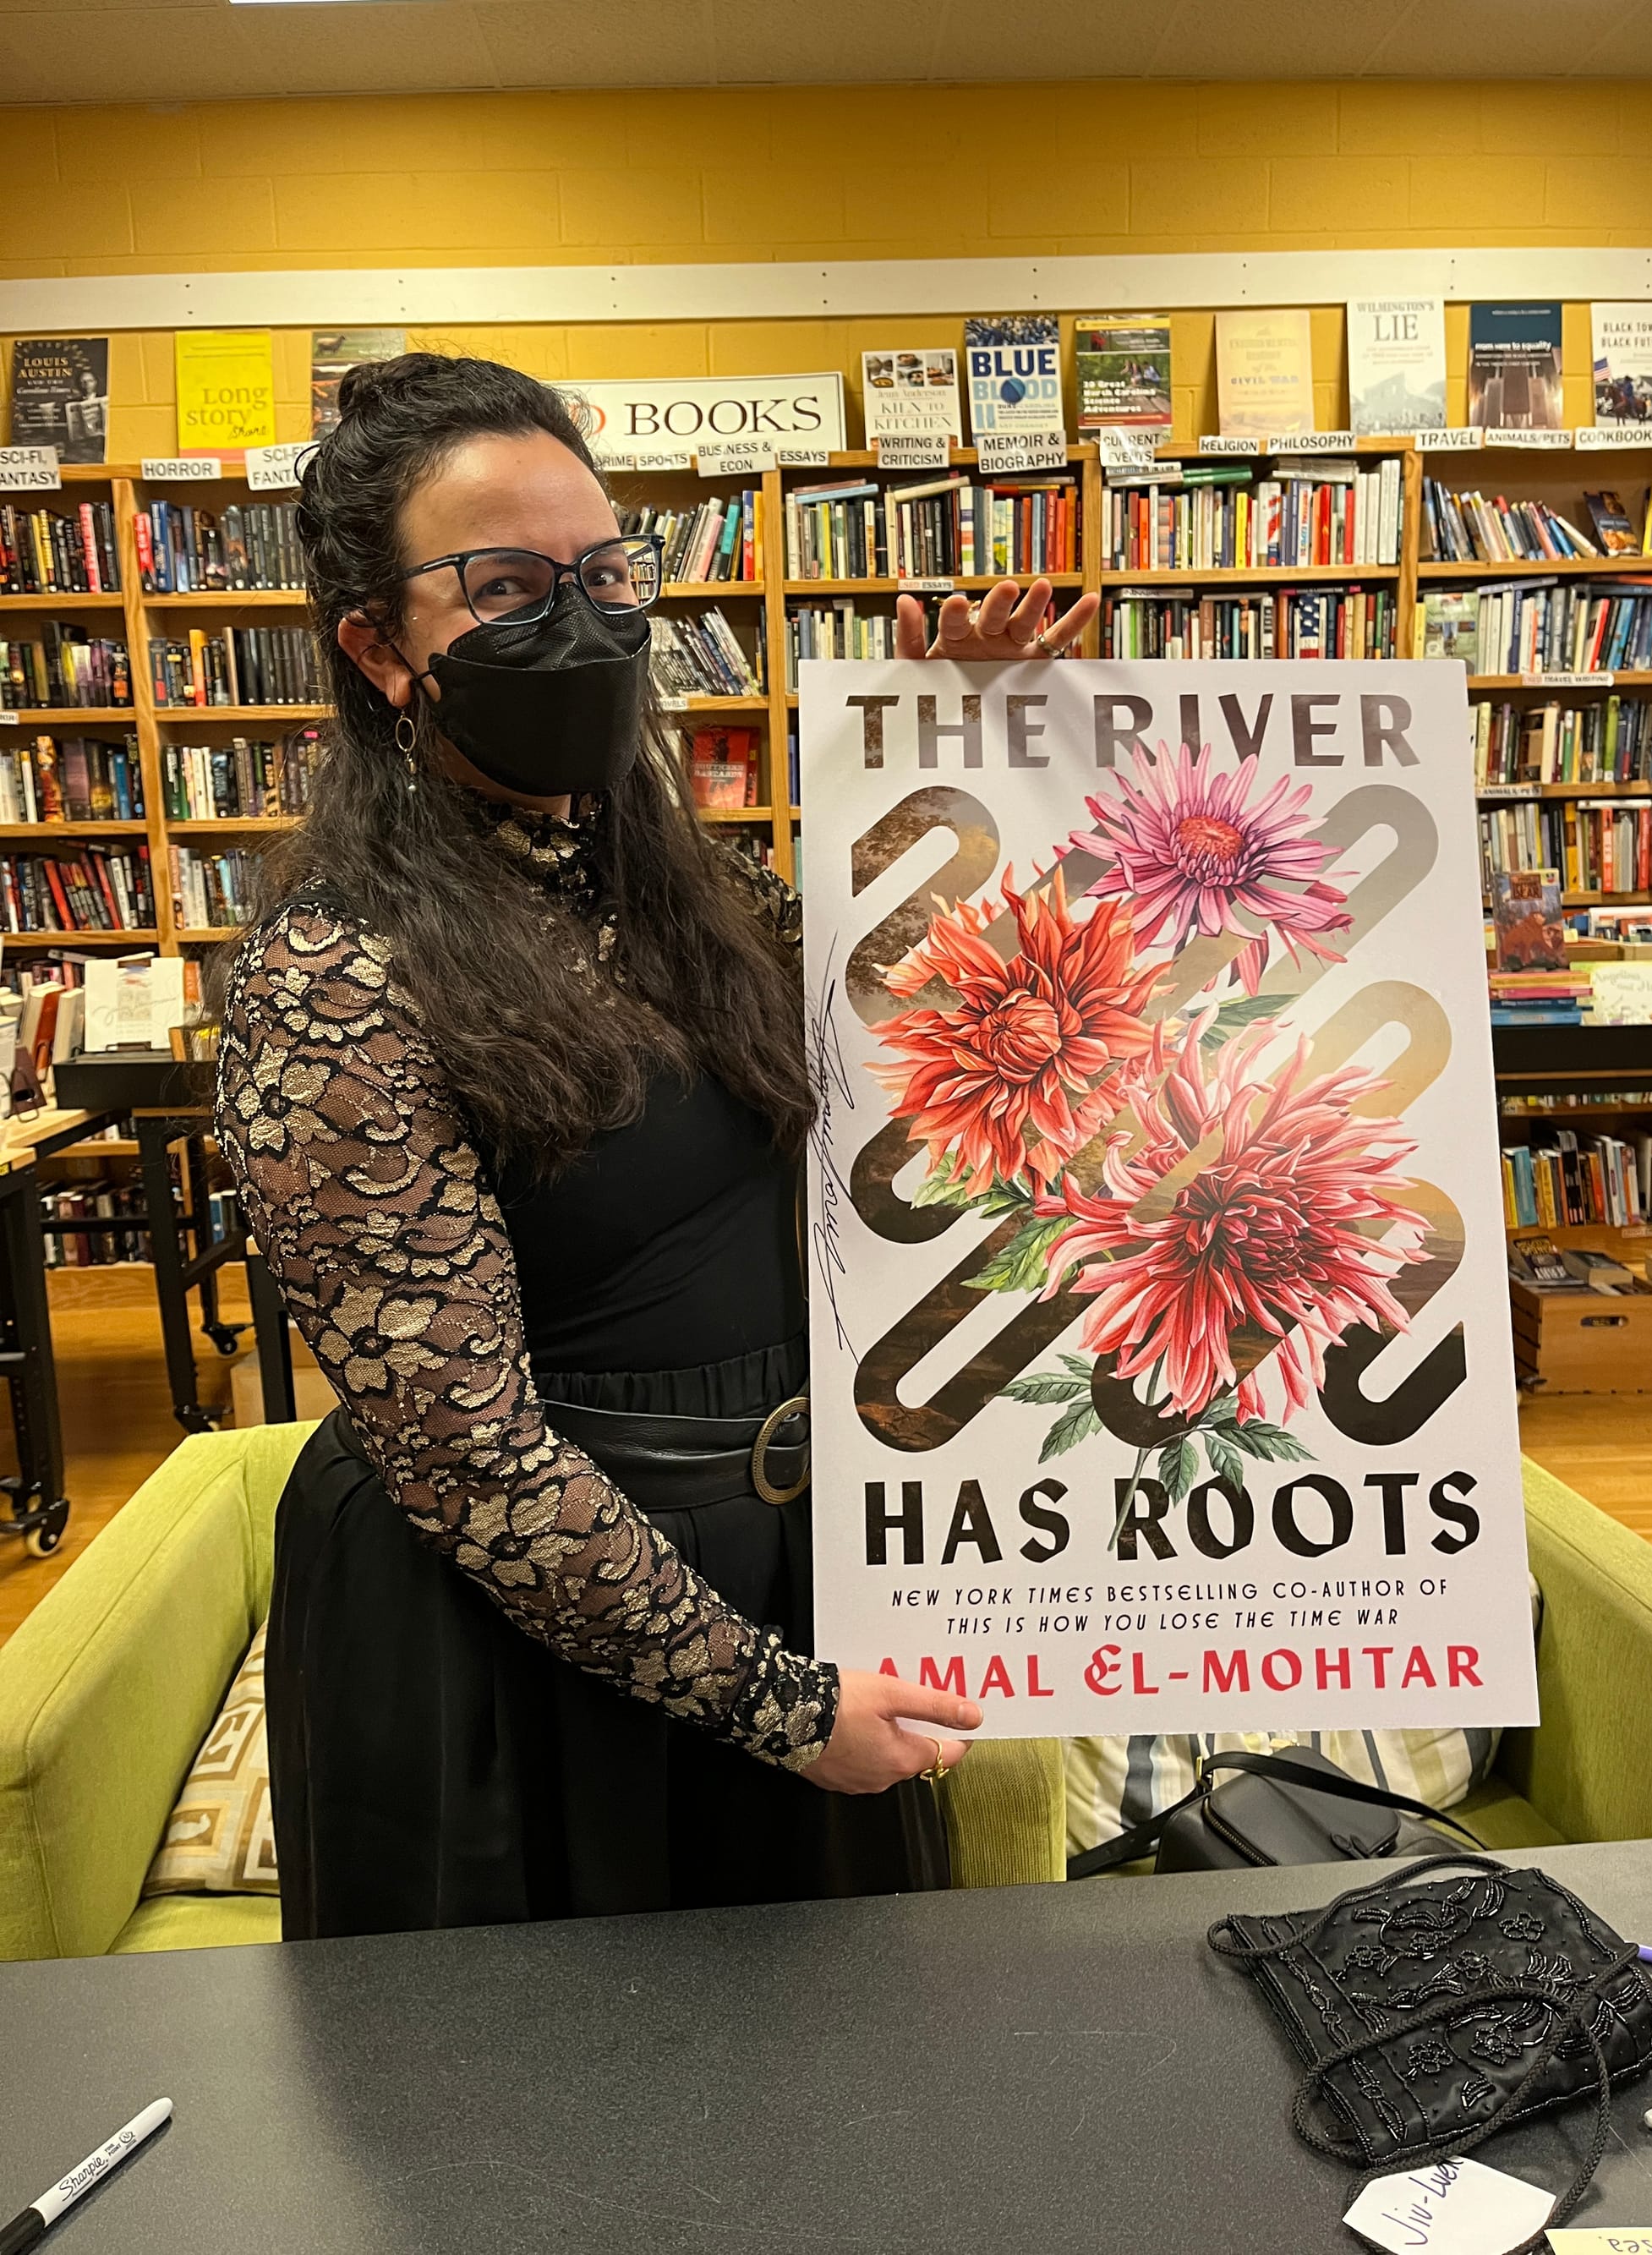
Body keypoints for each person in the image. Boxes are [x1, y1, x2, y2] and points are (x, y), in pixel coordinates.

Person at [215, 352, 1100, 1937]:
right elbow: (463, 1454)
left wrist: (960, 750)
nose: (581, 621)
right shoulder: (333, 971)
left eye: (608, 572)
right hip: (523, 1649)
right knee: (555, 2138)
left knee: (832, 2101)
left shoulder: (687, 896)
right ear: (379, 646)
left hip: (787, 1575)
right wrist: (778, 1705)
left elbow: (918, 1005)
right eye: (501, 586)